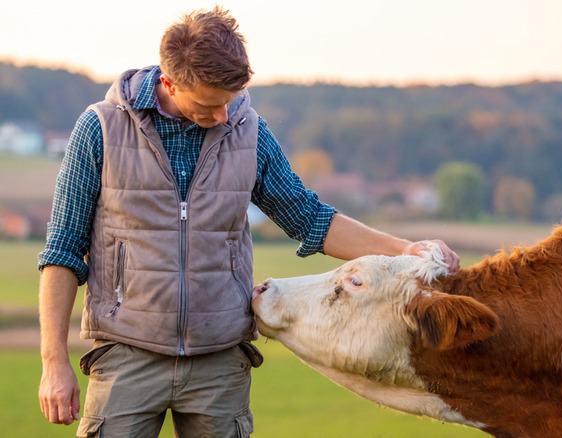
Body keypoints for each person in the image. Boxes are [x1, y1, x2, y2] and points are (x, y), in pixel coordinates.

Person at [37, 7, 459, 437]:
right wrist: (54, 362)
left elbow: (309, 218)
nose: (224, 116)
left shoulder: (249, 131)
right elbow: (62, 252)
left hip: (219, 362)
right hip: (126, 357)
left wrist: (405, 251)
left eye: (230, 101)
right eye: (210, 103)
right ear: (169, 82)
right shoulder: (100, 130)